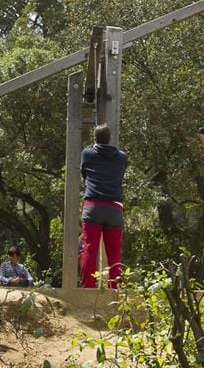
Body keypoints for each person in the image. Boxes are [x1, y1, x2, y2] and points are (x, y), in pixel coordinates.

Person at [79, 124, 128, 289]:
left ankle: (88, 288)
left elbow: (84, 174)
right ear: (110, 138)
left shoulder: (87, 154)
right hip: (114, 206)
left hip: (93, 205)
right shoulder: (122, 157)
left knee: (89, 250)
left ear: (95, 138)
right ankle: (115, 289)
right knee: (114, 252)